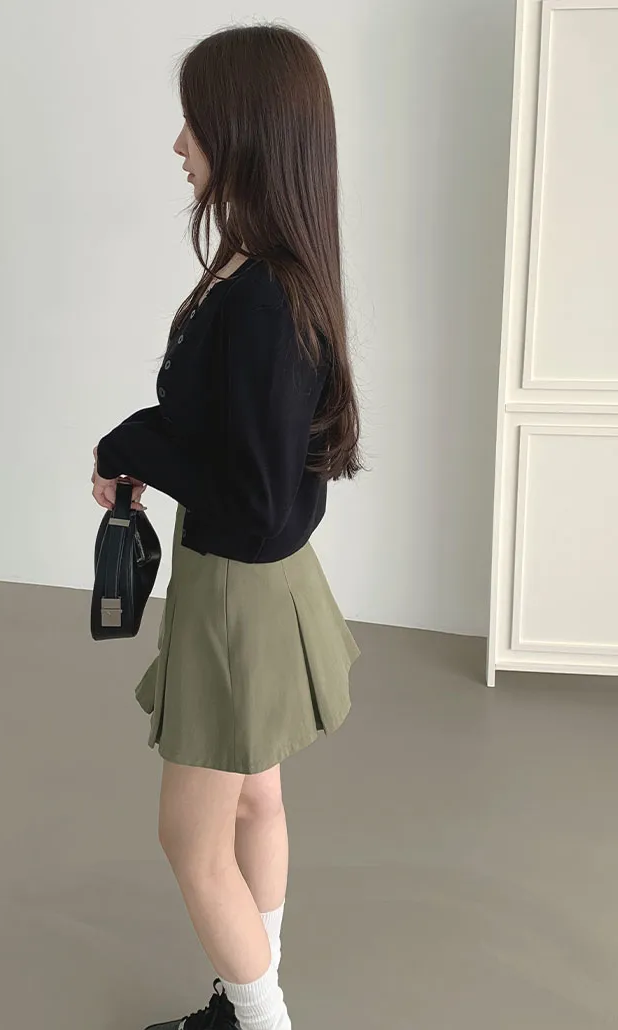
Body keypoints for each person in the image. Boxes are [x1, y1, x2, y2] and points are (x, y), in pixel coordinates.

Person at [92, 23, 361, 1030]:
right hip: (268, 581)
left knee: (190, 842)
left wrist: (131, 446)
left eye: (194, 124)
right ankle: (244, 1003)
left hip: (235, 595)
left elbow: (244, 494)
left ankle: (260, 1018)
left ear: (243, 132)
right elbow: (239, 445)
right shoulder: (279, 269)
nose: (179, 145)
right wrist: (137, 441)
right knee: (256, 802)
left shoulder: (259, 296)